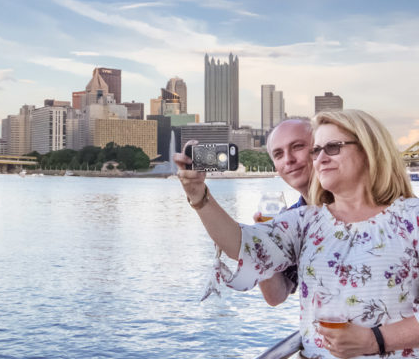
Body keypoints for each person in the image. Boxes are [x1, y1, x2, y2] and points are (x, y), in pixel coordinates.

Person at [174, 109, 419, 358]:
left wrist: (374, 340)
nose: (320, 158)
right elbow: (243, 245)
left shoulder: (413, 218)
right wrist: (198, 195)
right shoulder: (304, 221)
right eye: (316, 150)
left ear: (369, 150)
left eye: (332, 147)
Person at [254, 119, 313, 306]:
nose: (288, 159)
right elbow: (276, 296)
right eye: (278, 154)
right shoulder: (290, 219)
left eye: (297, 147)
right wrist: (262, 243)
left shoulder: (356, 206)